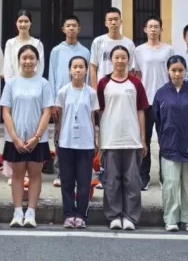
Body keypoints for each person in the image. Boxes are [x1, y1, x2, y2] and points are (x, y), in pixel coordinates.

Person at [97, 45, 149, 231]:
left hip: (132, 139)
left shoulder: (135, 83)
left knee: (132, 181)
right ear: (111, 60)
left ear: (128, 60)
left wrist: (143, 138)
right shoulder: (103, 83)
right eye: (116, 57)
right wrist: (100, 140)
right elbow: (100, 112)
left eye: (123, 57)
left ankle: (130, 217)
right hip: (110, 139)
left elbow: (140, 111)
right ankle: (114, 216)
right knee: (111, 182)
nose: (120, 61)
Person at [1, 44, 53, 228]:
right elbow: (6, 111)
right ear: (19, 61)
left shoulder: (43, 83)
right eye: (24, 58)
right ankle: (17, 212)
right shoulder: (11, 83)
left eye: (32, 58)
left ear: (37, 61)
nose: (28, 61)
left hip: (37, 139)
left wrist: (37, 137)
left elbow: (47, 111)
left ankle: (31, 212)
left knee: (35, 175)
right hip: (15, 138)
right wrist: (14, 137)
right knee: (17, 175)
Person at [153, 55, 188, 233]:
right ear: (168, 71)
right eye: (173, 70)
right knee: (171, 184)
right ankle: (171, 219)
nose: (177, 74)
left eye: (180, 70)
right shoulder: (161, 94)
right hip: (169, 146)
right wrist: (163, 140)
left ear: (185, 71)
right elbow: (157, 120)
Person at [54, 55, 99, 229]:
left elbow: (93, 118)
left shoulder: (91, 93)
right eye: (75, 67)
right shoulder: (63, 92)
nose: (78, 70)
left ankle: (81, 214)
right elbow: (59, 118)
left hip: (86, 143)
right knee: (66, 181)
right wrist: (57, 139)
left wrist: (95, 140)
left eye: (81, 67)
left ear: (86, 70)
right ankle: (68, 214)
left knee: (83, 181)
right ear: (69, 70)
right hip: (66, 142)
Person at [48, 15, 91, 187]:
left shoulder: (85, 51)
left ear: (79, 29)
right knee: (60, 133)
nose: (71, 28)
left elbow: (88, 77)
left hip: (80, 98)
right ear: (63, 29)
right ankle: (61, 171)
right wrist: (53, 102)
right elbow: (52, 75)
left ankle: (80, 171)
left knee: (80, 132)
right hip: (61, 98)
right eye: (68, 25)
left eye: (74, 25)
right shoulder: (56, 51)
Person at [134, 15, 172, 191]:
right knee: (145, 139)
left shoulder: (168, 50)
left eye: (156, 26)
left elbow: (172, 73)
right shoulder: (139, 51)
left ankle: (165, 176)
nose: (153, 29)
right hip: (146, 100)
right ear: (145, 29)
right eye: (150, 26)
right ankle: (144, 176)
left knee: (165, 139)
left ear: (161, 29)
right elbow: (137, 75)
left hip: (164, 100)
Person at [89, 7, 136, 87]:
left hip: (123, 87)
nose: (113, 22)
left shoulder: (129, 44)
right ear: (105, 23)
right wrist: (95, 90)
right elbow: (93, 67)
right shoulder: (98, 42)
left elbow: (131, 69)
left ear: (121, 22)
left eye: (116, 19)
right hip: (103, 87)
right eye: (110, 20)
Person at [3, 10, 45, 80]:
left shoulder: (37, 44)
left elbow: (40, 67)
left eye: (26, 21)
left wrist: (34, 82)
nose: (23, 24)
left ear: (30, 23)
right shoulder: (10, 43)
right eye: (20, 21)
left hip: (33, 83)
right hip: (14, 84)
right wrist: (11, 84)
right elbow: (7, 68)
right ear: (16, 23)